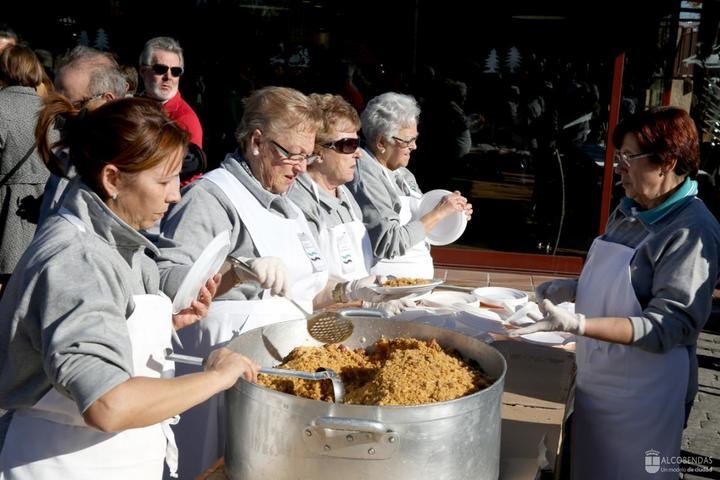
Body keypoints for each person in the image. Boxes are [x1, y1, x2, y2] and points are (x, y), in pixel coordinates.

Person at [0, 96, 259, 479]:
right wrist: (217, 378)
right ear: (112, 179)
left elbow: (90, 334)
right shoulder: (78, 258)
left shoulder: (121, 239)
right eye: (163, 180)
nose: (175, 194)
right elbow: (107, 404)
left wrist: (164, 326)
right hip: (65, 464)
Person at [156, 86, 388, 478]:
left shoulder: (285, 202)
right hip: (221, 371)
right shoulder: (211, 198)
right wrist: (236, 271)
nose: (301, 167)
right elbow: (166, 284)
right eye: (292, 153)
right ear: (257, 142)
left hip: (279, 376)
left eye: (307, 154)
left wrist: (347, 290)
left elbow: (306, 287)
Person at [511, 107, 720, 479]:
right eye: (618, 157)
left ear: (666, 162)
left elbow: (671, 325)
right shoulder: (629, 210)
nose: (618, 168)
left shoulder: (692, 229)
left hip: (645, 397)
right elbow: (626, 288)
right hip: (598, 380)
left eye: (628, 158)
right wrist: (571, 290)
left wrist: (580, 323)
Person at [288, 93, 415, 315]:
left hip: (359, 322)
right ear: (317, 151)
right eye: (348, 145)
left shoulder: (346, 197)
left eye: (357, 143)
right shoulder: (298, 204)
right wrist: (364, 300)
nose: (358, 154)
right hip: (319, 328)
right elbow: (302, 291)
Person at [348, 92, 473, 278]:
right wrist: (438, 213)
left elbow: (418, 228)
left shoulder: (403, 174)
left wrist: (453, 215)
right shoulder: (365, 175)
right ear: (382, 142)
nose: (414, 146)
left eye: (415, 138)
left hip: (414, 286)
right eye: (407, 140)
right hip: (386, 290)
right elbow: (387, 242)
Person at [38, 46, 128, 226]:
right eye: (58, 105)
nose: (62, 117)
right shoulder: (67, 152)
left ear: (107, 101)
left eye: (74, 106)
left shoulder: (135, 163)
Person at [0, 45, 50, 293]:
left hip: (6, 206)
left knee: (7, 281)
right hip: (45, 202)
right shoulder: (50, 109)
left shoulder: (1, 105)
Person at [139, 37, 204, 185]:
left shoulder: (185, 119)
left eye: (175, 71)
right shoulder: (133, 106)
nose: (168, 77)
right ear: (143, 70)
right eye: (160, 69)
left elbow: (188, 179)